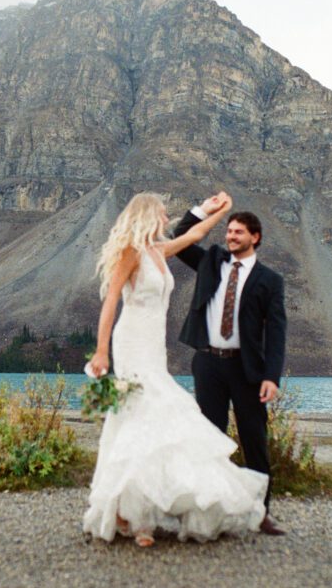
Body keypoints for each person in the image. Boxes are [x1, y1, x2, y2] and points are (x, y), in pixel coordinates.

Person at [82, 192, 267, 547]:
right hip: (132, 341)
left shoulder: (158, 251)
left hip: (153, 347)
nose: (166, 219)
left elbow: (195, 236)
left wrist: (218, 211)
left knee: (151, 419)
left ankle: (132, 510)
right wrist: (101, 350)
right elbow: (110, 302)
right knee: (140, 415)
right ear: (147, 216)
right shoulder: (131, 252)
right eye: (163, 214)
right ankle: (136, 520)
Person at [173, 193, 288, 536]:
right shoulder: (211, 261)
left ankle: (261, 513)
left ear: (256, 237)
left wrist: (272, 376)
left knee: (255, 439)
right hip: (208, 363)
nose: (231, 236)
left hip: (246, 370)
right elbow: (180, 239)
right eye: (229, 231)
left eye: (238, 232)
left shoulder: (270, 280)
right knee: (211, 438)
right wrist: (203, 210)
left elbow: (278, 331)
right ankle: (211, 512)